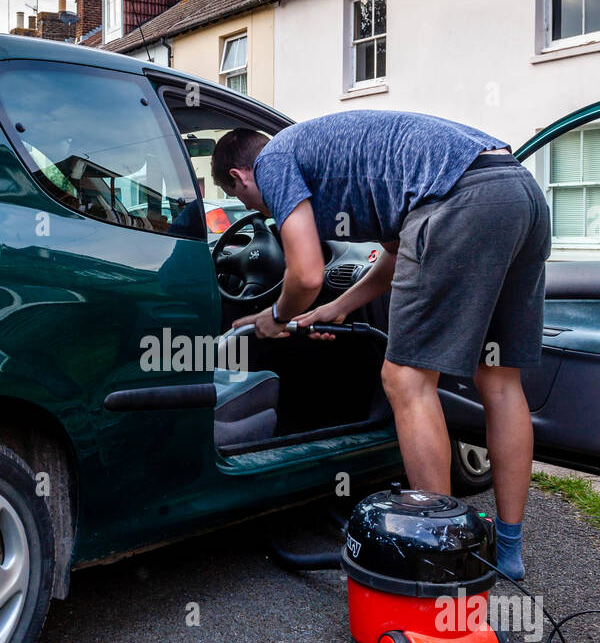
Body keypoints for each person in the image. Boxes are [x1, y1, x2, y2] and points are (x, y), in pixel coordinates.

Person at [210, 111, 551, 580]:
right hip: (518, 190)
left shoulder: (273, 159)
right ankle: (509, 552)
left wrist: (274, 317)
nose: (256, 211)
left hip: (459, 200)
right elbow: (393, 253)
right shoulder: (334, 160)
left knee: (405, 378)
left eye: (239, 197)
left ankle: (442, 555)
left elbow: (307, 274)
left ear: (239, 175)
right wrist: (338, 306)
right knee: (498, 378)